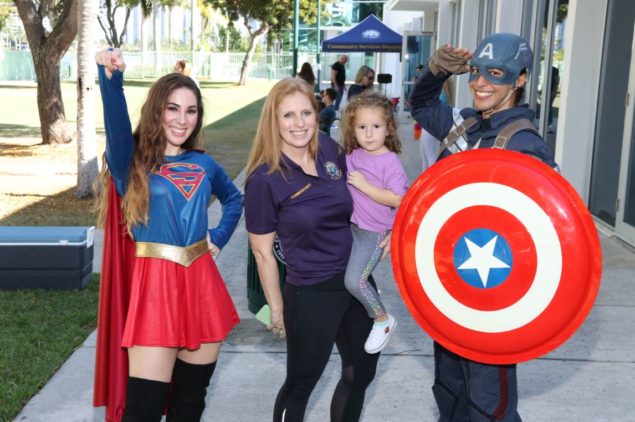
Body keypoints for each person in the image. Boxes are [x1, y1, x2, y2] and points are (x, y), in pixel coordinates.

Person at [409, 33, 557, 421]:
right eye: (475, 72)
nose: (480, 83)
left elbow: (551, 235)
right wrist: (437, 70)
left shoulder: (526, 146)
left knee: (489, 408)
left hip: (495, 302)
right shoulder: (462, 124)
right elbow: (420, 103)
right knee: (451, 392)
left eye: (496, 74)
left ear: (520, 80)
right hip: (451, 293)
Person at [94, 48, 242, 421]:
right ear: (158, 110)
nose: (182, 119)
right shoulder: (132, 163)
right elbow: (114, 126)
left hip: (202, 286)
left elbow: (234, 198)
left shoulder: (204, 162)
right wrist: (111, 80)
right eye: (173, 108)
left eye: (190, 110)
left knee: (189, 405)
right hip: (155, 291)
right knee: (142, 411)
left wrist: (219, 236)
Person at [244, 77, 385, 422]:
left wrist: (391, 230)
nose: (299, 123)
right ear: (274, 121)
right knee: (301, 383)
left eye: (306, 112)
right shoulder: (264, 180)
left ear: (317, 113)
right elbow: (262, 253)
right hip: (310, 293)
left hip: (356, 281)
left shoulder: (328, 148)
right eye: (288, 115)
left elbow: (370, 196)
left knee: (360, 374)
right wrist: (276, 309)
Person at [340, 91, 408, 354]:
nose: (369, 134)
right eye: (362, 127)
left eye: (376, 126)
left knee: (354, 281)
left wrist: (365, 187)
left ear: (388, 128)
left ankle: (382, 319)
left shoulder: (389, 162)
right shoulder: (353, 155)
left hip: (375, 234)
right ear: (352, 129)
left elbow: (398, 199)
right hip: (352, 229)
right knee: (350, 277)